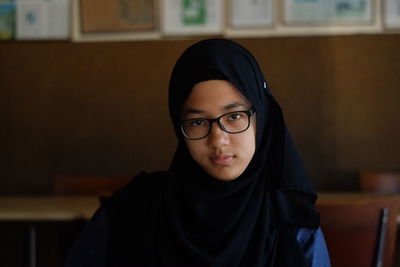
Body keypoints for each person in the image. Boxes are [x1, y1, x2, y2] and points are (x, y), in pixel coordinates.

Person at [64, 39, 330, 267]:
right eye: (198, 122)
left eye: (235, 116)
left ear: (262, 119)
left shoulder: (292, 223)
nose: (218, 140)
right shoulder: (132, 211)